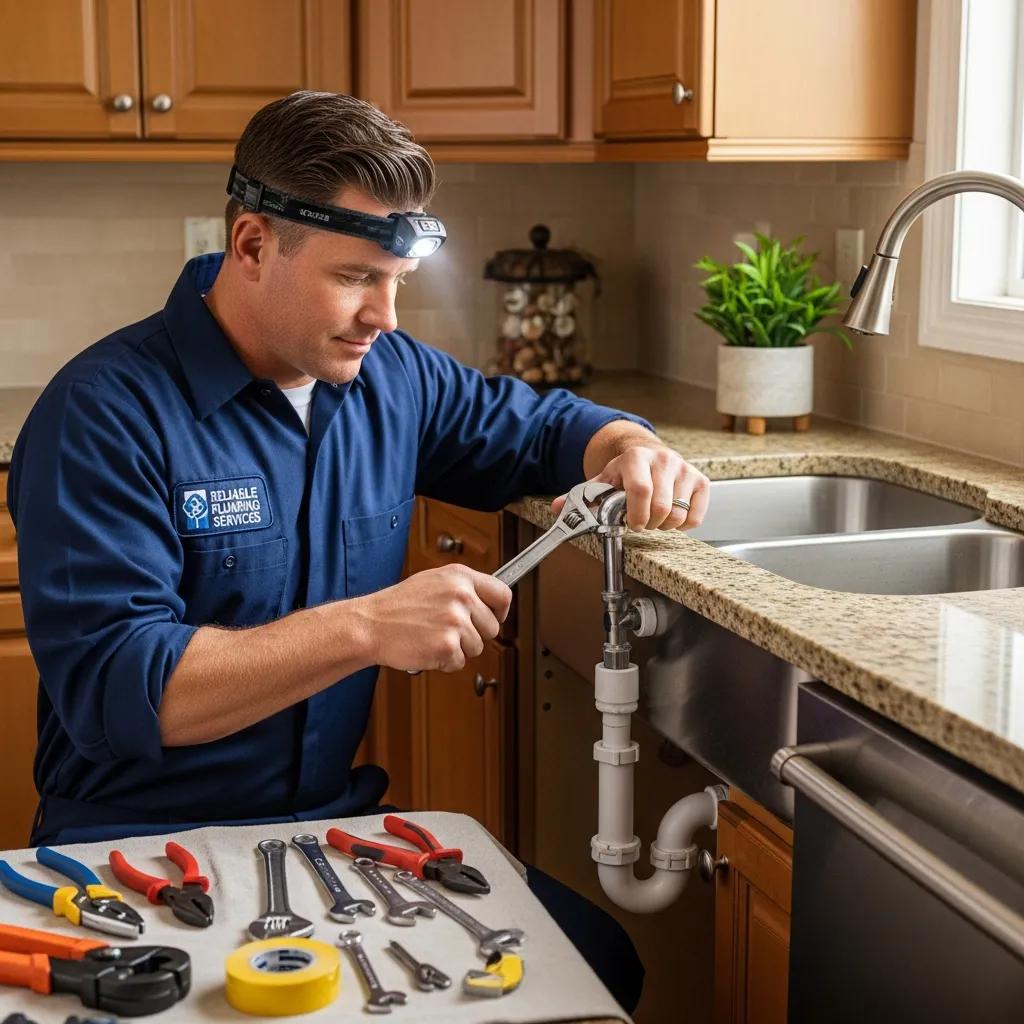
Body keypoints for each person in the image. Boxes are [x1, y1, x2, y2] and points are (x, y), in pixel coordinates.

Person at [8, 91, 709, 1011]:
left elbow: (539, 428)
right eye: (355, 277)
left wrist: (626, 445)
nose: (383, 313)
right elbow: (118, 689)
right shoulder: (103, 414)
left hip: (333, 835)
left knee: (596, 962)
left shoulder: (390, 376)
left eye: (398, 279)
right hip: (131, 846)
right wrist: (367, 626)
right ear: (253, 245)